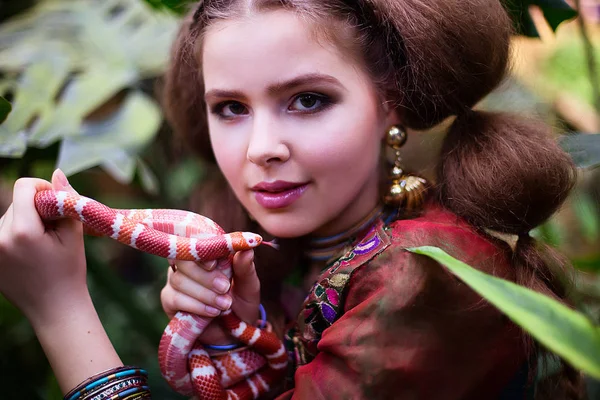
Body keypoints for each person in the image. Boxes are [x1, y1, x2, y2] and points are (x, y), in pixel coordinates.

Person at [0, 0, 583, 399]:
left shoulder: (428, 274)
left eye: (306, 100)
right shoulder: (303, 251)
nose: (260, 149)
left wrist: (59, 310)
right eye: (231, 107)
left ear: (391, 102)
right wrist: (243, 326)